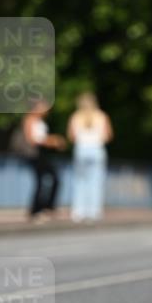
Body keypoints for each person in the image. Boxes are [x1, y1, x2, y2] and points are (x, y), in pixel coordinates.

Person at [67, 91, 113, 222]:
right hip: (97, 149)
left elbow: (71, 136)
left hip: (81, 149)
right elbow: (108, 135)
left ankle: (78, 212)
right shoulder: (102, 116)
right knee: (96, 181)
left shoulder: (75, 116)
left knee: (80, 181)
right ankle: (94, 211)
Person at [22, 100, 66, 220]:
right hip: (35, 154)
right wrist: (51, 142)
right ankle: (36, 210)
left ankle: (46, 207)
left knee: (52, 179)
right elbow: (32, 139)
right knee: (41, 181)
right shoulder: (30, 119)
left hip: (42, 154)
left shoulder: (40, 121)